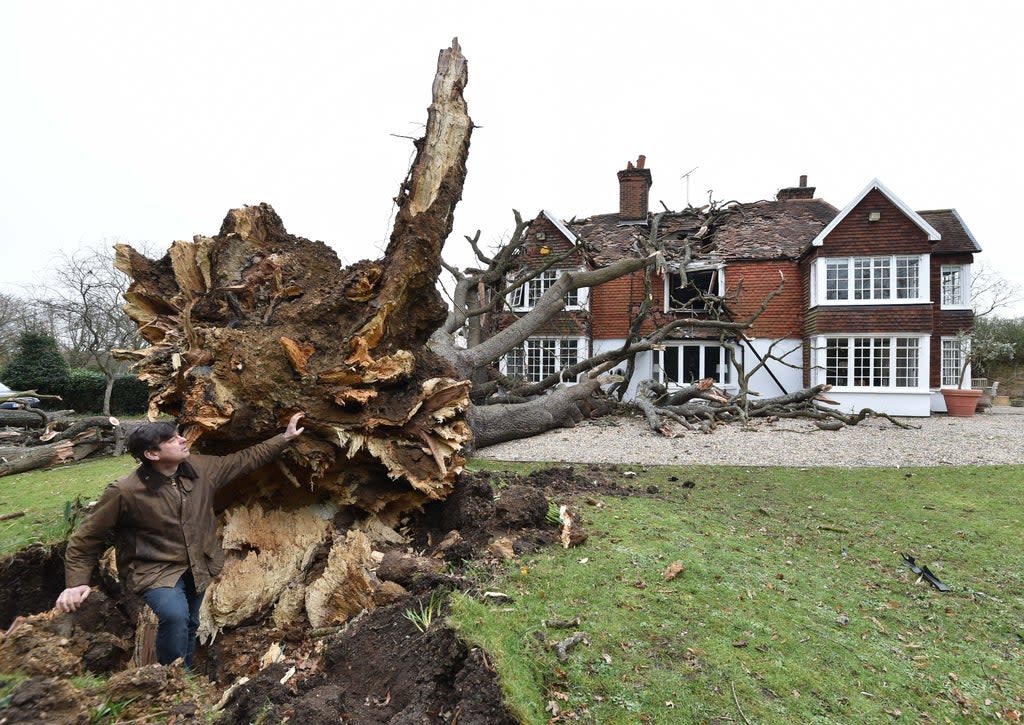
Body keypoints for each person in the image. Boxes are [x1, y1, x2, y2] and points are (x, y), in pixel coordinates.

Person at [55, 412, 305, 669]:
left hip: (199, 562)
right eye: (172, 440)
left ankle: (184, 675)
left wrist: (284, 438)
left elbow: (243, 460)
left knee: (192, 622)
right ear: (152, 455)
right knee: (175, 616)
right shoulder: (124, 491)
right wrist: (75, 583)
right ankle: (173, 677)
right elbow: (86, 539)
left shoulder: (200, 469)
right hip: (154, 569)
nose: (183, 440)